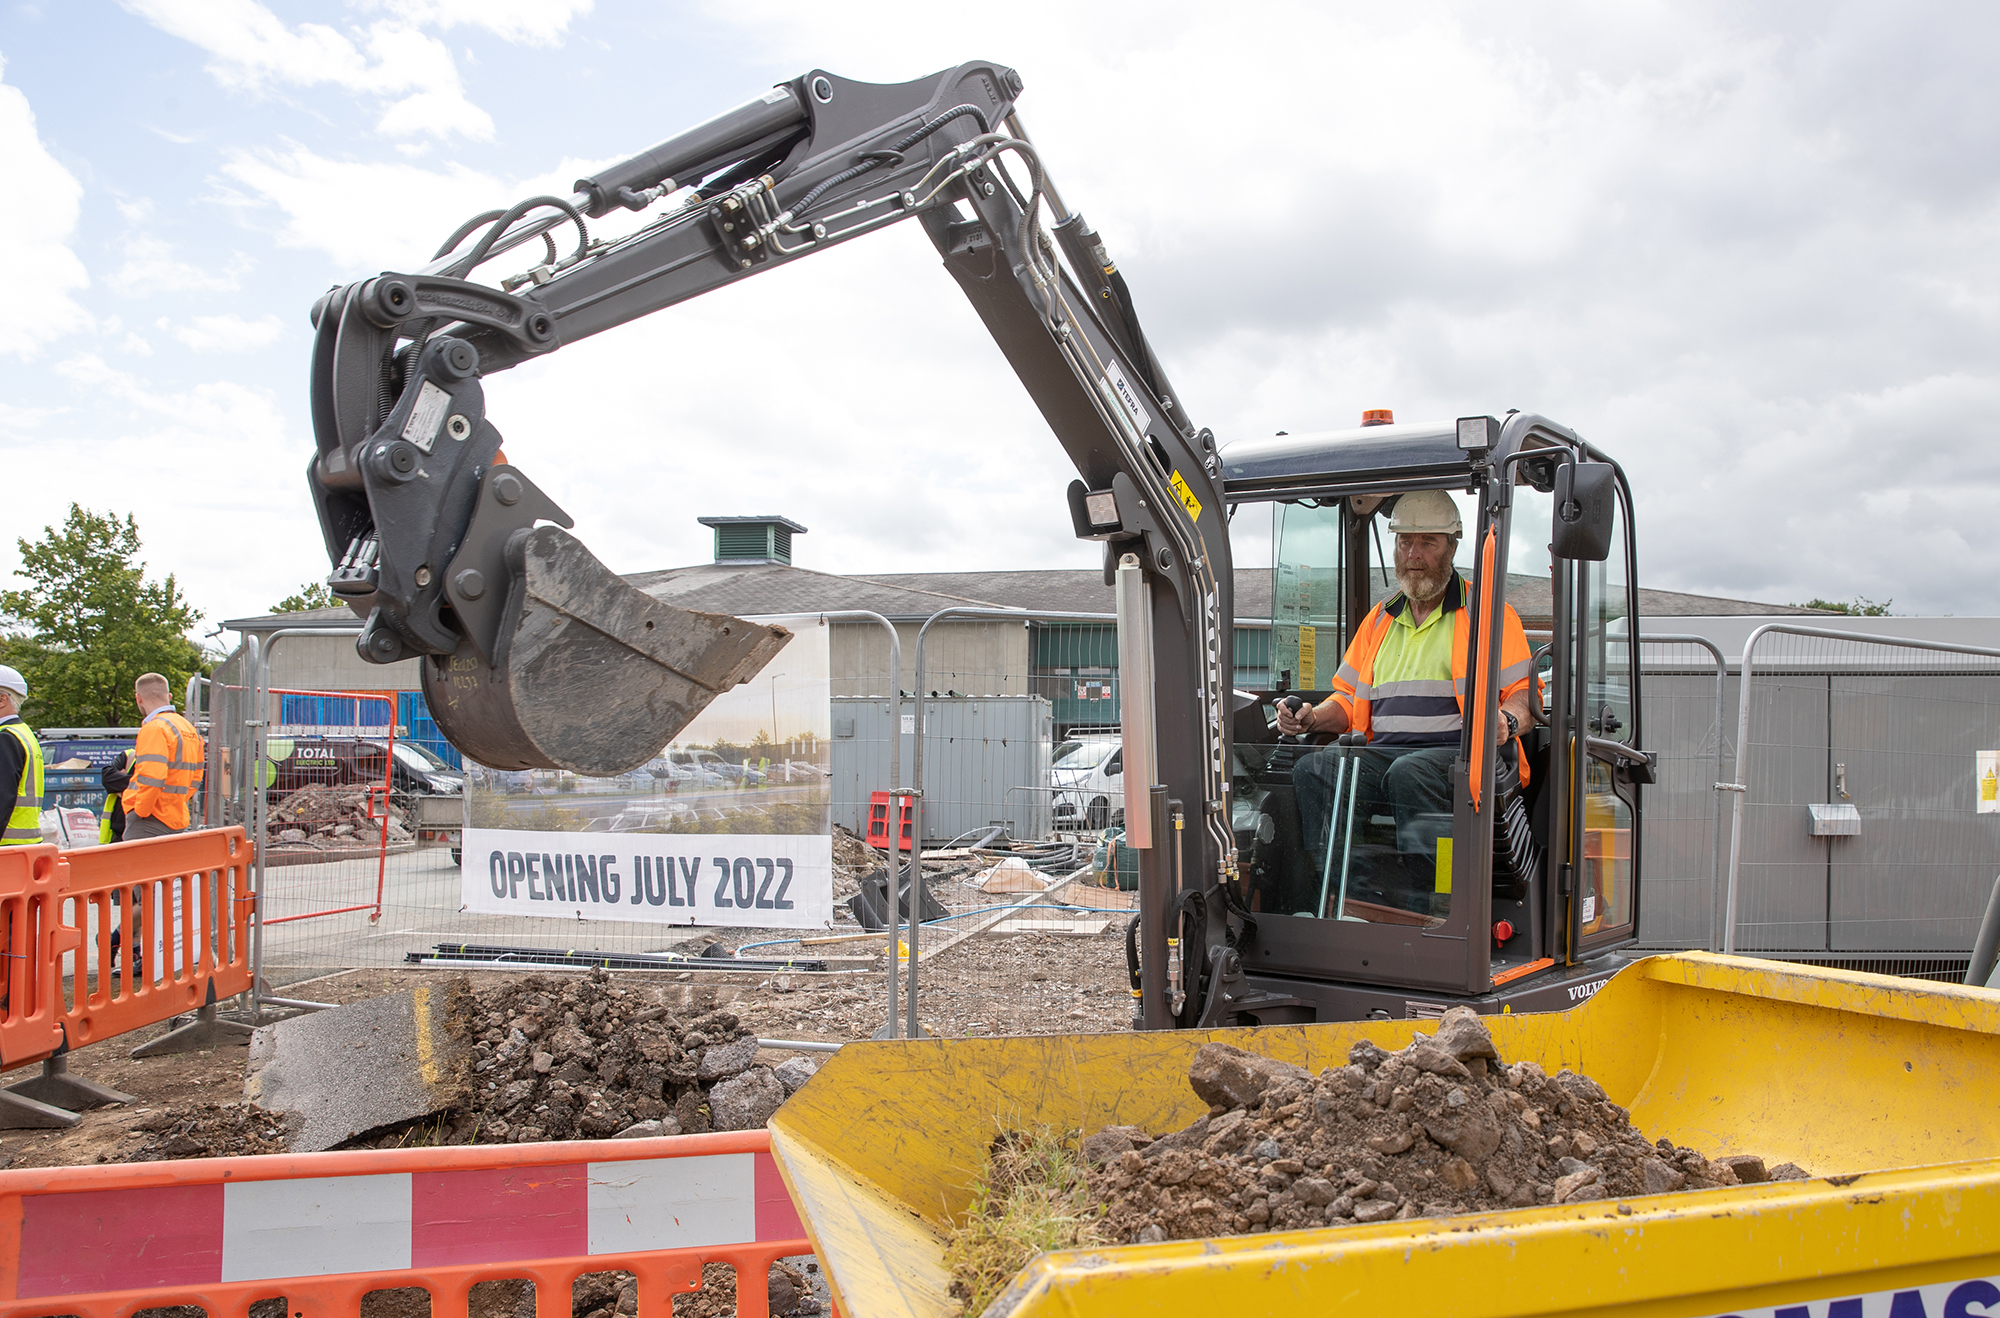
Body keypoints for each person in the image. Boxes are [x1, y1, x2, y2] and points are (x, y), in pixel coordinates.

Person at [1275, 490, 1537, 912]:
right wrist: (1310, 718)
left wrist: (1506, 718)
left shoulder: (1488, 614)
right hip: (1387, 754)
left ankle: (1438, 904)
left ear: (1451, 546)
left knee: (1408, 773)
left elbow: (1523, 695)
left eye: (1427, 542)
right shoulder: (1380, 619)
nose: (1413, 553)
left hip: (1461, 757)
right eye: (1404, 542)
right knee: (1317, 768)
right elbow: (1347, 699)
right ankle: (1342, 896)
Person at [123, 672, 204, 840]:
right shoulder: (188, 728)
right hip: (175, 816)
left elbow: (152, 778)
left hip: (150, 819)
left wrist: (141, 811)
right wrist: (174, 802)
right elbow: (196, 777)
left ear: (138, 698)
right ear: (169, 696)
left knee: (138, 866)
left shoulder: (155, 728)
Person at [0, 665, 43, 847]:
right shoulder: (24, 733)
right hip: (24, 844)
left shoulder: (5, 737)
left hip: (7, 847)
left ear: (2, 699)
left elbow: (2, 798)